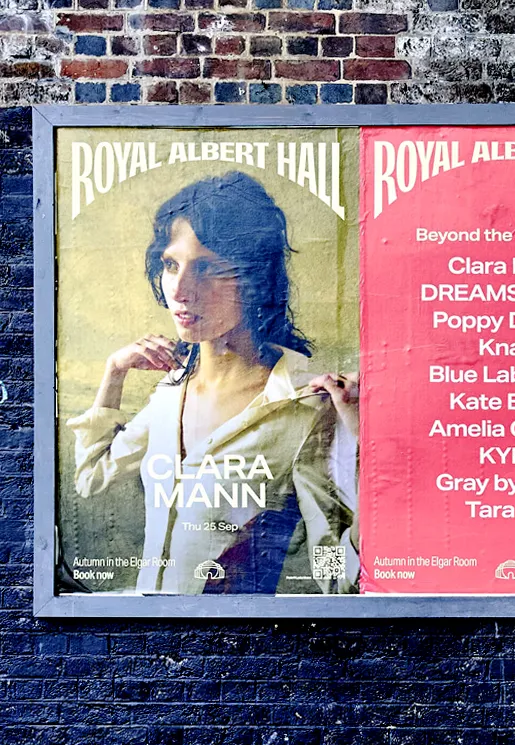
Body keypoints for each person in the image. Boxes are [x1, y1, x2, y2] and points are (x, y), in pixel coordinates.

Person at [68, 172, 359, 594]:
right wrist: (114, 371)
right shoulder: (172, 392)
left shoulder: (303, 406)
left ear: (256, 279)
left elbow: (336, 574)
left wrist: (368, 453)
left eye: (208, 268)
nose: (181, 291)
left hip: (233, 643)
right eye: (171, 265)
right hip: (147, 630)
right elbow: (93, 477)